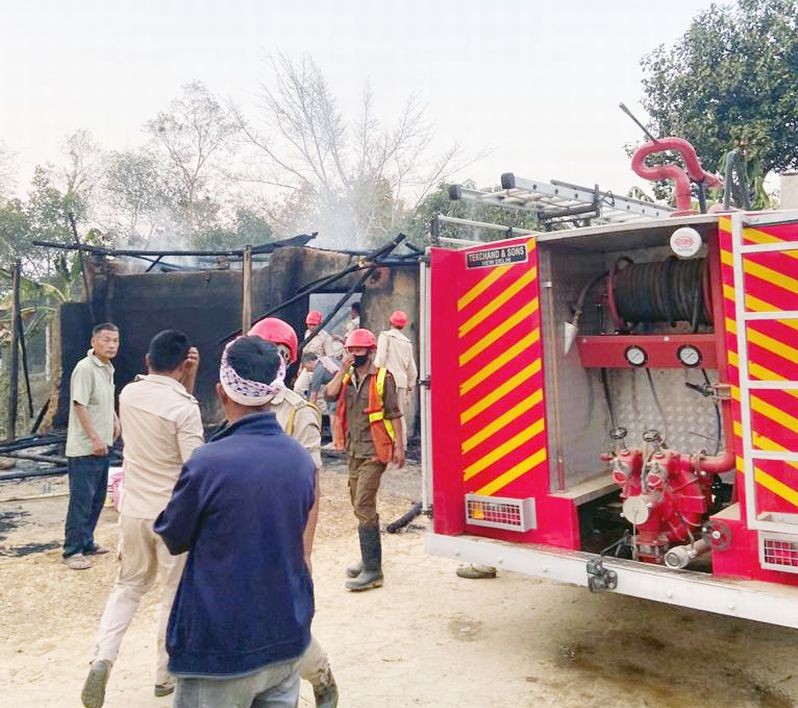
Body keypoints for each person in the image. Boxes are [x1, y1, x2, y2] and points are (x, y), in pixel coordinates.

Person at [154, 336, 316, 707]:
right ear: (274, 393)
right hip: (285, 638)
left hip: (219, 646)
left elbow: (174, 536)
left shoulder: (207, 463)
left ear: (222, 392)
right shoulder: (300, 460)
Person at [80, 330, 202, 708]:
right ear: (184, 365)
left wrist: (185, 379)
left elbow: (166, 397)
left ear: (147, 361)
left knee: (128, 587)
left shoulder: (128, 394)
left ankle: (103, 657)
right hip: (171, 516)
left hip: (132, 510)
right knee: (173, 593)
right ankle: (164, 674)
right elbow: (194, 466)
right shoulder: (185, 408)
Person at [248, 317, 338, 707]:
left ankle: (320, 676)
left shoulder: (297, 412)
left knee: (286, 619)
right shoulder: (241, 399)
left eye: (274, 354)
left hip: (283, 532)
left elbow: (311, 484)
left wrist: (305, 549)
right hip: (245, 530)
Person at [325, 328, 404, 592]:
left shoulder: (383, 378)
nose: (354, 354)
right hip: (353, 449)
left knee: (363, 503)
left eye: (359, 350)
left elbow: (394, 414)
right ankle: (368, 558)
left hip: (375, 450)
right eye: (350, 350)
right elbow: (329, 394)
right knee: (358, 504)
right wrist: (341, 370)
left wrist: (400, 447)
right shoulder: (346, 378)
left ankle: (373, 571)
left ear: (370, 352)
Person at [63, 323, 121, 571]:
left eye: (116, 341)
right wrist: (95, 437)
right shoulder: (85, 368)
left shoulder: (107, 368)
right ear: (93, 341)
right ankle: (72, 550)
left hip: (102, 446)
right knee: (81, 501)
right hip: (85, 448)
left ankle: (87, 542)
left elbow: (104, 402)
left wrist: (115, 420)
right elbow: (80, 405)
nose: (111, 345)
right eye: (106, 340)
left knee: (97, 499)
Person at [374, 310, 418, 449]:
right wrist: (410, 385)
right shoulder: (407, 342)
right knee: (399, 414)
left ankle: (386, 443)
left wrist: (373, 374)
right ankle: (402, 445)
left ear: (390, 321)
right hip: (402, 381)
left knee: (382, 412)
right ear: (403, 326)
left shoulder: (385, 336)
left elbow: (380, 358)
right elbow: (412, 369)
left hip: (387, 380)